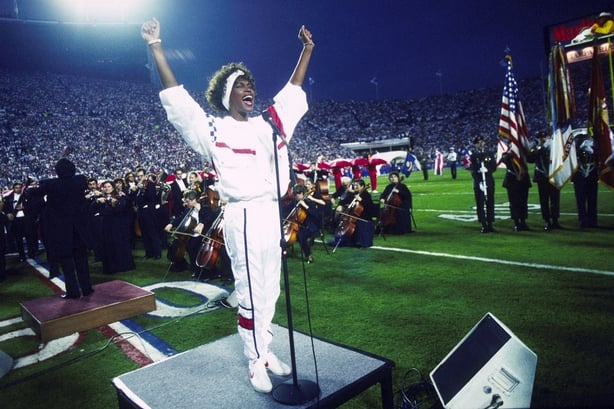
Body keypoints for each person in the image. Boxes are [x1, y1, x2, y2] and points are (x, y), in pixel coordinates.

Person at [141, 17, 314, 393]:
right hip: (243, 215)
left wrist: (307, 50)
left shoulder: (270, 123)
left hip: (272, 212)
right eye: (240, 86)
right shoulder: (214, 129)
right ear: (226, 96)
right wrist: (156, 46)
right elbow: (179, 102)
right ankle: (255, 362)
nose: (248, 88)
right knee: (251, 290)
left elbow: (292, 90)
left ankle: (265, 351)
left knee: (270, 290)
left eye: (250, 84)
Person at [34, 158, 93, 299]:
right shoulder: (80, 180)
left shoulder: (50, 184)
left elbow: (32, 194)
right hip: (78, 229)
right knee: (81, 259)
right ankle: (86, 288)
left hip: (61, 231)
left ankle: (72, 292)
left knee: (67, 261)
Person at [91, 180, 135, 275]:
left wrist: (115, 204)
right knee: (108, 245)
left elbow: (124, 207)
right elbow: (92, 208)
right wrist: (97, 201)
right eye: (105, 187)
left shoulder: (119, 196)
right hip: (106, 225)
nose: (107, 188)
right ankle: (111, 266)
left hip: (118, 224)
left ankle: (122, 265)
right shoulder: (100, 197)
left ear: (113, 187)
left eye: (109, 186)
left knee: (119, 244)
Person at [528, 131, 561, 230]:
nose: (542, 139)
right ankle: (547, 221)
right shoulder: (534, 147)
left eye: (544, 137)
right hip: (542, 176)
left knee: (555, 199)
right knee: (544, 200)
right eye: (539, 138)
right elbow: (530, 159)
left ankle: (555, 220)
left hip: (553, 174)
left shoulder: (553, 145)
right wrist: (541, 148)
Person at [333, 179, 376, 248]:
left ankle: (356, 241)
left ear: (362, 186)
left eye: (357, 185)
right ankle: (342, 239)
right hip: (352, 216)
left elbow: (370, 207)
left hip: (363, 216)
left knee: (357, 224)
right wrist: (340, 205)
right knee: (339, 220)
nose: (355, 187)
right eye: (354, 185)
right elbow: (343, 201)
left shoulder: (366, 195)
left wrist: (361, 200)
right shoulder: (353, 194)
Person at [500, 145, 532, 231]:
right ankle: (516, 223)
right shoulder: (507, 154)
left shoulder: (523, 153)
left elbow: (530, 159)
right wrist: (512, 152)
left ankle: (523, 222)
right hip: (512, 181)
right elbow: (504, 160)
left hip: (523, 180)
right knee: (514, 203)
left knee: (523, 202)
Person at [469, 136, 497, 233]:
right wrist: (478, 178)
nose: (480, 143)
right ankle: (483, 224)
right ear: (475, 144)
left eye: (481, 141)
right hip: (479, 182)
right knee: (480, 204)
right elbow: (472, 169)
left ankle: (490, 223)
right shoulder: (473, 155)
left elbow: (494, 166)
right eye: (478, 142)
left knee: (490, 203)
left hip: (489, 180)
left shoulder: (489, 153)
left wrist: (488, 170)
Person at [572, 133, 598, 228]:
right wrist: (579, 150)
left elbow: (600, 156)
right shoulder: (575, 148)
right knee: (580, 200)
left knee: (592, 198)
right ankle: (583, 220)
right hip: (579, 175)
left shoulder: (595, 146)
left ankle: (592, 220)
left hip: (591, 174)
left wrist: (593, 150)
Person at [5, 182, 27, 261]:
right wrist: (8, 213)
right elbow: (6, 208)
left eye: (19, 187)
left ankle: (32, 253)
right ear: (13, 189)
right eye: (16, 187)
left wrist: (24, 207)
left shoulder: (26, 196)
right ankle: (22, 255)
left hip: (25, 218)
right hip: (16, 220)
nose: (18, 189)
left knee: (29, 236)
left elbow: (31, 206)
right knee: (18, 238)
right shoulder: (8, 198)